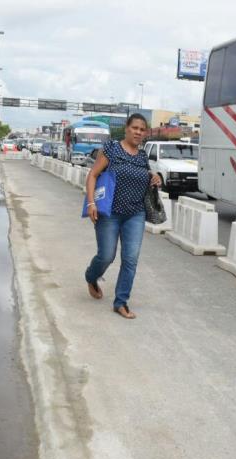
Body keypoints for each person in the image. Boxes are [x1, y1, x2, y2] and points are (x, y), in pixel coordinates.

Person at [84, 113, 160, 319]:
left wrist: (154, 177)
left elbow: (146, 176)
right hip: (109, 212)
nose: (138, 132)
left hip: (135, 214)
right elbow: (93, 175)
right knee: (107, 256)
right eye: (135, 128)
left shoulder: (143, 156)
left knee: (130, 259)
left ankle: (121, 302)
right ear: (127, 128)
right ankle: (91, 276)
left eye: (142, 130)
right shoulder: (112, 148)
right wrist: (91, 202)